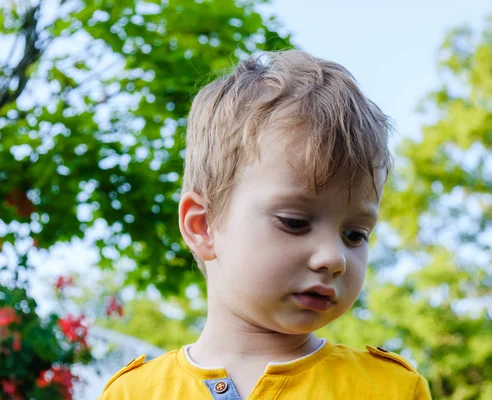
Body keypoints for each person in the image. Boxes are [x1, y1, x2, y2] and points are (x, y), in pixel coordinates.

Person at [98, 50, 431, 400]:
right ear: (203, 226)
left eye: (355, 235)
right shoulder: (133, 393)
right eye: (296, 222)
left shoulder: (390, 390)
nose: (334, 258)